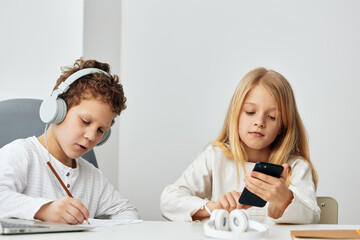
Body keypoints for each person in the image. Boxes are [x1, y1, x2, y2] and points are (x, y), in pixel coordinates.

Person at [160, 67, 320, 224]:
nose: (259, 122)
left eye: (272, 117)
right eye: (250, 112)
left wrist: (284, 200)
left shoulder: (296, 166)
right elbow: (169, 200)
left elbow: (312, 214)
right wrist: (214, 208)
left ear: (282, 127)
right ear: (235, 114)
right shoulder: (215, 157)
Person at [0, 58, 140, 224]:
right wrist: (44, 209)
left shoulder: (92, 176)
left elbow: (127, 212)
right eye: (85, 121)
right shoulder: (22, 153)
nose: (91, 136)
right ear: (57, 110)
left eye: (101, 130)